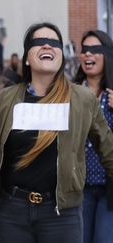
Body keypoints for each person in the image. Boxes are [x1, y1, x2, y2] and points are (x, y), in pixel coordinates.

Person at [0, 22, 113, 243]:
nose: (47, 45)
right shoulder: (5, 100)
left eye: (54, 43)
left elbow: (108, 148)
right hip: (13, 212)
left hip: (62, 214)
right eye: (39, 42)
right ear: (27, 57)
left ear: (61, 56)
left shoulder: (82, 99)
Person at [74, 30, 113, 243]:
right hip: (80, 187)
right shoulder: (70, 92)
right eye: (84, 50)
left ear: (106, 54)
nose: (88, 54)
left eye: (95, 50)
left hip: (109, 189)